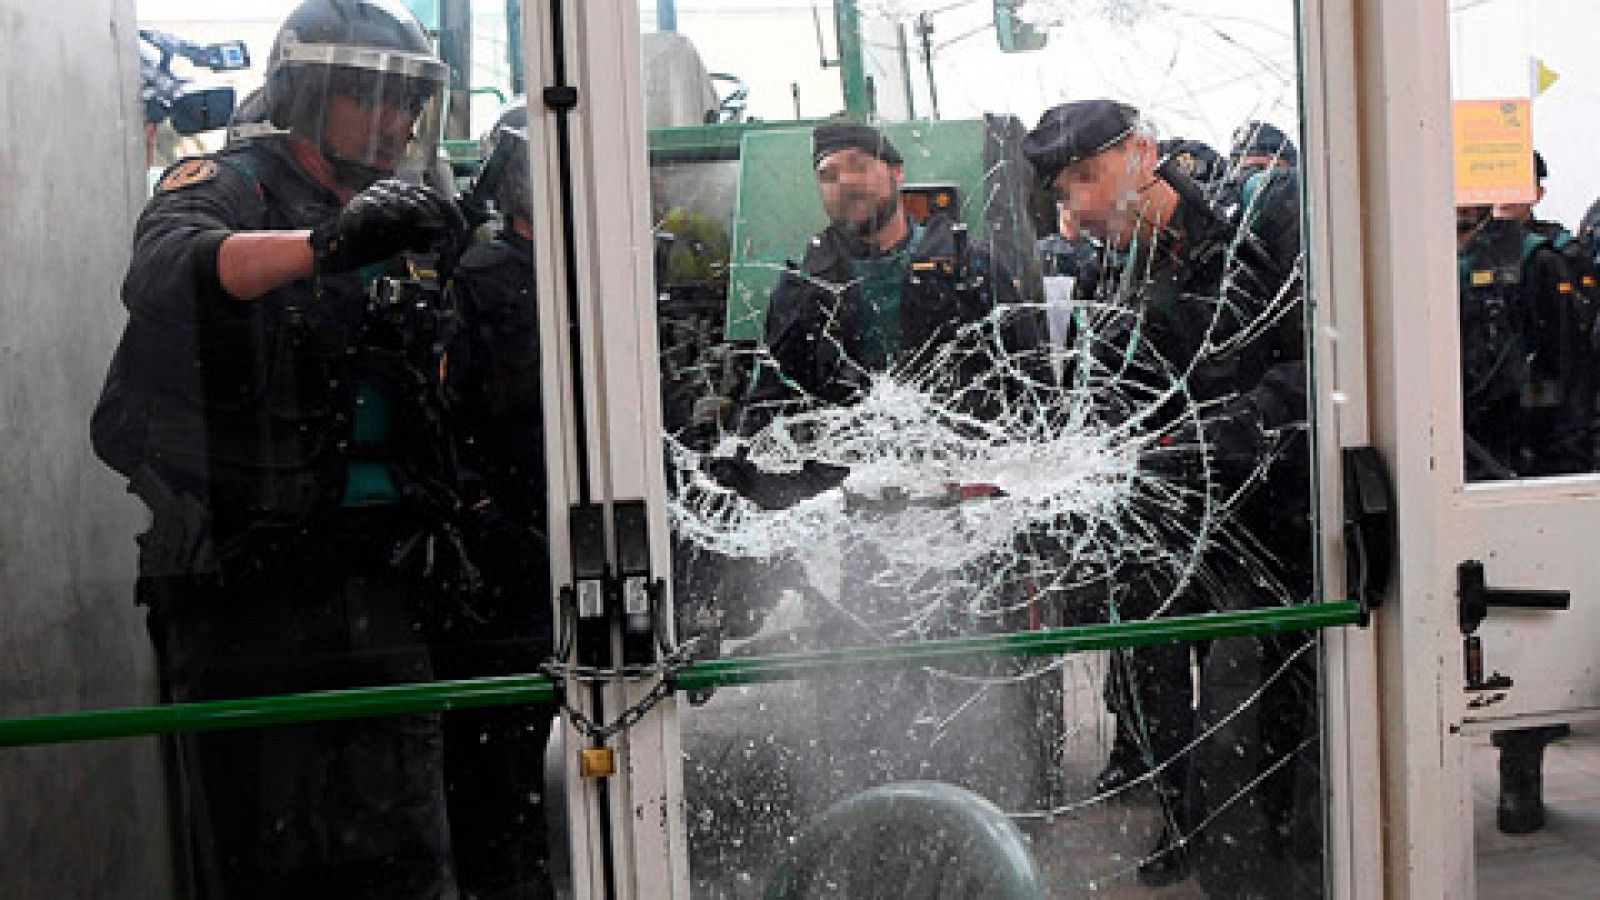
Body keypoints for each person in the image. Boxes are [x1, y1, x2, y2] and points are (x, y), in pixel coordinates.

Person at [91, 1, 483, 896]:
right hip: (247, 586)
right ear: (307, 93)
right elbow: (160, 274)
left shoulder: (406, 211)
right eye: (373, 98)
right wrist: (325, 244)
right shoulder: (228, 182)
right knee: (264, 859)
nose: (399, 123)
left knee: (408, 858)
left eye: (410, 103)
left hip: (381, 577)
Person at [717, 122, 1054, 816]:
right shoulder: (803, 284)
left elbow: (1028, 388)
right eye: (829, 174)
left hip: (965, 519)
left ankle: (988, 832)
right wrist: (749, 475)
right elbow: (774, 395)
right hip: (857, 527)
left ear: (896, 175)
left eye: (858, 167)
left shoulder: (971, 268)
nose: (844, 184)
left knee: (976, 683)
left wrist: (1020, 494)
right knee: (859, 692)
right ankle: (873, 825)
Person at [1024, 98, 1312, 893]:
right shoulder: (1119, 276)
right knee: (1164, 702)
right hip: (1177, 532)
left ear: (1144, 153)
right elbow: (1116, 396)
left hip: (1285, 532)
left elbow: (1334, 353)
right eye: (1060, 191)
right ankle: (1190, 824)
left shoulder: (1265, 218)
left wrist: (1249, 417)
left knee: (1252, 736)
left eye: (1088, 176)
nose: (1077, 205)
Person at [437, 97, 558, 899]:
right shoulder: (476, 284)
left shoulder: (606, 273)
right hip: (508, 560)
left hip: (587, 551)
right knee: (495, 766)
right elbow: (445, 427)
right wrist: (487, 523)